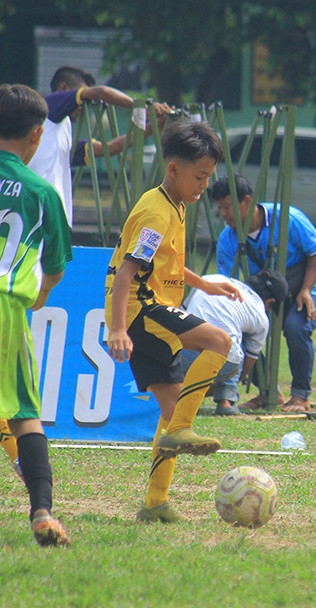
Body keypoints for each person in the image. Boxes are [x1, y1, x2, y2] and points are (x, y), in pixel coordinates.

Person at [105, 119, 240, 524]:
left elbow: (171, 264)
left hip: (151, 307)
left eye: (209, 177)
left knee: (170, 411)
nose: (204, 185)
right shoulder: (155, 213)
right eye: (199, 176)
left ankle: (155, 503)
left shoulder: (176, 204)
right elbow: (127, 273)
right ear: (173, 169)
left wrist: (207, 285)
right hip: (142, 309)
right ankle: (182, 430)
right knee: (219, 341)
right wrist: (116, 328)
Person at [0, 83, 74, 546]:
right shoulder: (42, 191)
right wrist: (39, 294)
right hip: (7, 303)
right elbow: (55, 268)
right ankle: (42, 513)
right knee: (25, 412)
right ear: (35, 136)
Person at [211, 174, 316, 413]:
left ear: (247, 201)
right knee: (243, 333)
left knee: (296, 327)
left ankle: (300, 396)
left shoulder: (289, 218)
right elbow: (229, 283)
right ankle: (269, 391)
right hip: (265, 297)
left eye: (227, 207)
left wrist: (307, 290)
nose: (223, 214)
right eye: (220, 208)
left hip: (309, 287)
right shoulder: (227, 239)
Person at [27, 65, 170, 226]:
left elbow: (110, 148)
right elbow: (101, 92)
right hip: (38, 210)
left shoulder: (59, 133)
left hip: (57, 215)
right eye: (83, 97)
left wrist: (155, 126)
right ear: (63, 88)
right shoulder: (48, 106)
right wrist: (141, 107)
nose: (84, 105)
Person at [177, 269, 287, 416]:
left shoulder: (211, 278)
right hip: (223, 363)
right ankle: (225, 401)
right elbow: (249, 361)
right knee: (236, 340)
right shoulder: (261, 316)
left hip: (180, 353)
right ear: (270, 302)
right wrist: (236, 378)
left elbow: (180, 312)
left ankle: (179, 392)